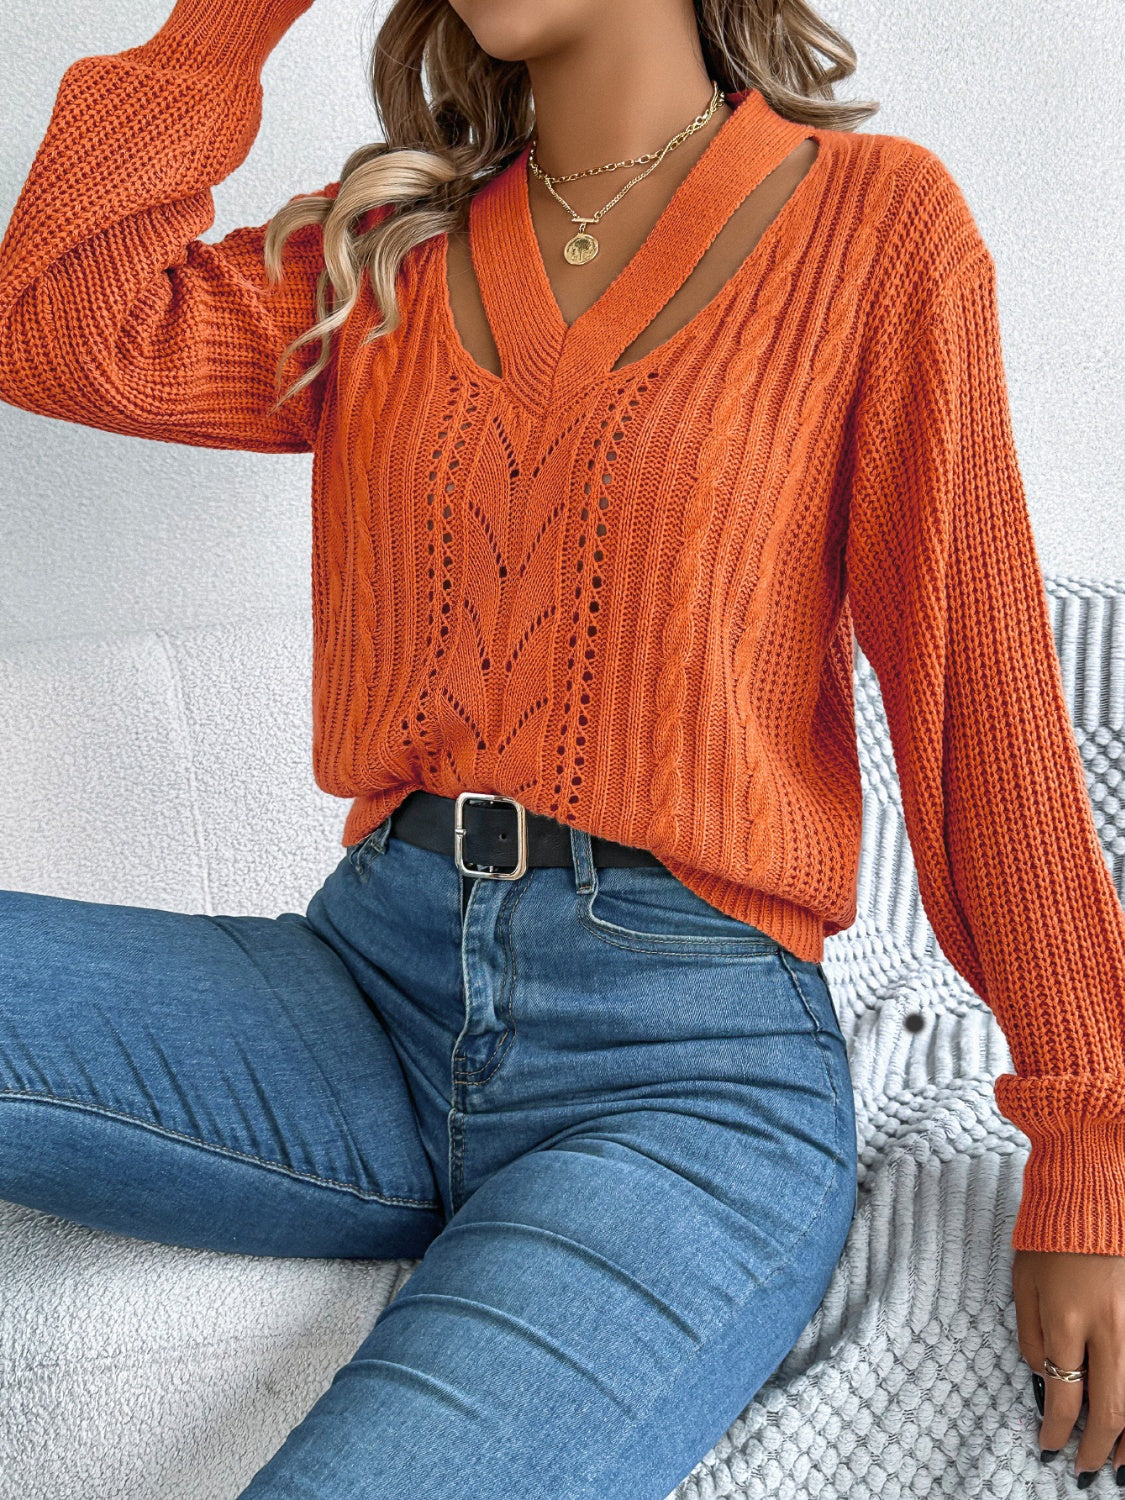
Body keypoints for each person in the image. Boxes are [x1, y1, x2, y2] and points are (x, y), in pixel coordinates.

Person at [0, 0, 1122, 1493]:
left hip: (683, 1083)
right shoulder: (391, 244)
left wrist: (1090, 1147)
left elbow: (979, 695)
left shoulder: (873, 226)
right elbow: (55, 322)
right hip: (366, 991)